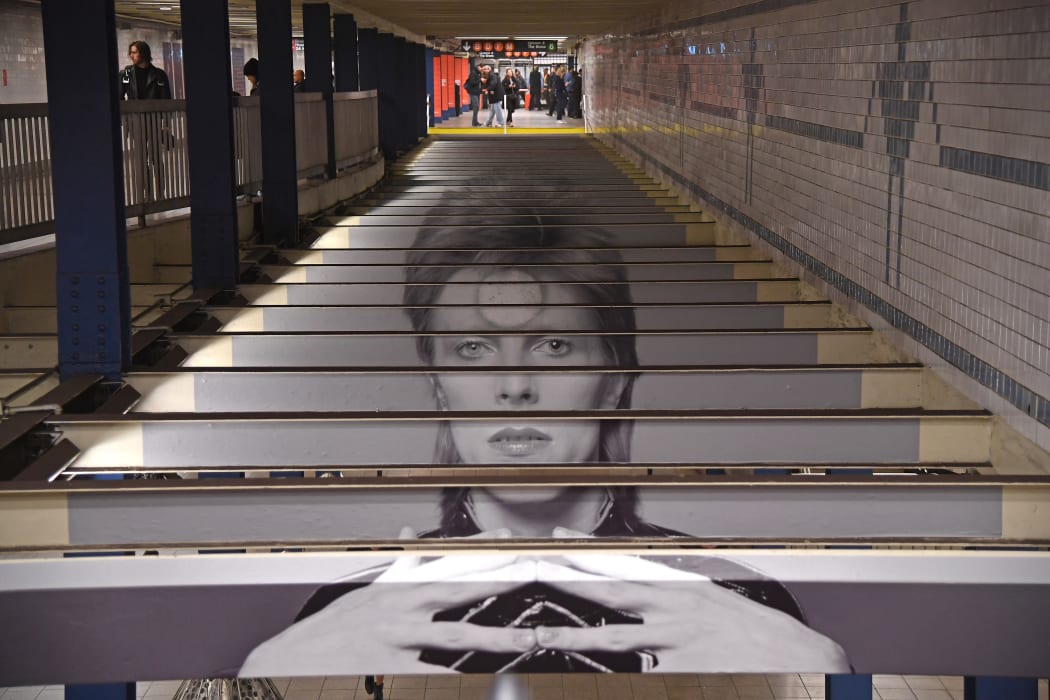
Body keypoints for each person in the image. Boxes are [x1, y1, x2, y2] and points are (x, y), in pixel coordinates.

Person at [238, 214, 850, 677]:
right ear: (438, 386)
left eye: (554, 345)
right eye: (472, 350)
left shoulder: (739, 600)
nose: (514, 387)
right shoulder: (348, 609)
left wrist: (820, 666)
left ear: (614, 382)